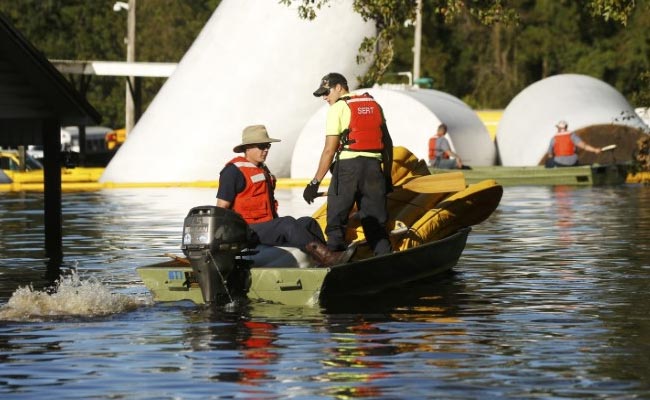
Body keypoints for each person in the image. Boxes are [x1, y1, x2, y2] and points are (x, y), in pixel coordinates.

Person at [217, 124, 345, 267]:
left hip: (266, 227)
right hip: (248, 231)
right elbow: (221, 208)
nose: (266, 150)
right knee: (287, 223)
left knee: (308, 222)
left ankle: (324, 262)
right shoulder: (233, 172)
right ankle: (327, 257)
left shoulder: (262, 169)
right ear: (248, 148)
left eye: (268, 146)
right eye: (261, 146)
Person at [303, 72, 393, 257]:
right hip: (373, 168)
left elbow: (329, 150)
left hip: (347, 169)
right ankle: (384, 258)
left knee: (336, 220)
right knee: (375, 222)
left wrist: (314, 183)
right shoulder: (374, 104)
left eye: (326, 92)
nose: (325, 97)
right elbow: (388, 144)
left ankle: (335, 258)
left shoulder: (338, 108)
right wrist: (387, 175)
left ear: (339, 87)